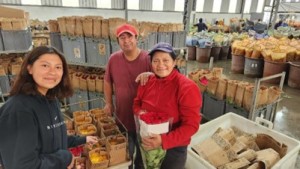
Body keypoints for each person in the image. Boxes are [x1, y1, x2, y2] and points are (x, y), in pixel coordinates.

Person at [0, 46, 98, 169]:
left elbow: (52, 137)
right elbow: (22, 165)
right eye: (45, 65)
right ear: (29, 68)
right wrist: (65, 158)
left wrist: (81, 140)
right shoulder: (18, 111)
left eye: (58, 67)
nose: (52, 72)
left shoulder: (51, 99)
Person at [133, 42, 202, 169]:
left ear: (174, 62)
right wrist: (141, 114)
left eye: (166, 60)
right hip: (146, 141)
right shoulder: (146, 82)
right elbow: (137, 103)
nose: (160, 65)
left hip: (174, 148)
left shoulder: (186, 87)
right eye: (156, 61)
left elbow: (191, 125)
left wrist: (164, 140)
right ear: (151, 63)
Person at [103, 23, 152, 169]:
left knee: (143, 156)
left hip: (144, 119)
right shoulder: (114, 59)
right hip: (123, 116)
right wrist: (109, 103)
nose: (126, 41)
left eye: (129, 36)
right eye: (122, 38)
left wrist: (151, 75)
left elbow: (162, 83)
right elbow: (107, 82)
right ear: (118, 41)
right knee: (126, 155)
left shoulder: (148, 59)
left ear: (136, 38)